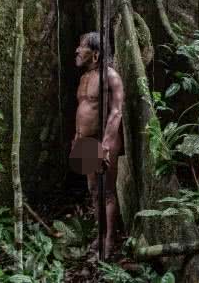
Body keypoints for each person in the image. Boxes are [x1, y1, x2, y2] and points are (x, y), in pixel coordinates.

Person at [72, 32, 124, 258]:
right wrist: (76, 136)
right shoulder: (84, 78)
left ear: (95, 54)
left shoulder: (110, 76)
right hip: (85, 141)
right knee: (94, 191)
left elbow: (116, 112)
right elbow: (83, 111)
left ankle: (110, 240)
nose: (76, 50)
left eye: (81, 47)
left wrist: (105, 145)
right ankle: (99, 234)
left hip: (105, 140)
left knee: (108, 191)